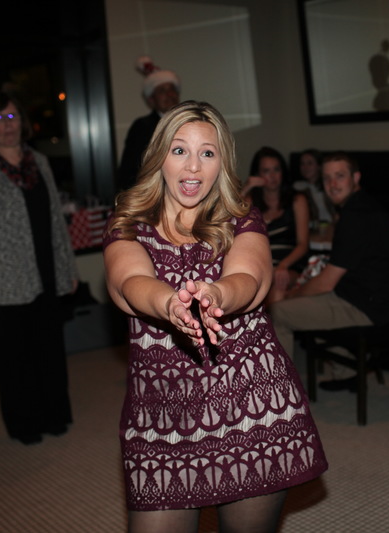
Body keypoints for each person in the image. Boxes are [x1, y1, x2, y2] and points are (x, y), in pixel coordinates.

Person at [102, 100, 327, 532]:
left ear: (222, 162)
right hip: (163, 410)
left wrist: (216, 294)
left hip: (248, 401)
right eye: (179, 150)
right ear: (159, 156)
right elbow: (129, 281)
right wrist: (170, 304)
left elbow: (251, 277)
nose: (193, 166)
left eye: (207, 152)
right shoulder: (128, 223)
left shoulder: (242, 217)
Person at [0, 91, 78, 445]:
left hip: (45, 270)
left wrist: (68, 267)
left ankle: (55, 413)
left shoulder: (39, 161)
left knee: (49, 349)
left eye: (12, 117)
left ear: (23, 121)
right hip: (3, 279)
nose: (7, 125)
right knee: (15, 357)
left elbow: (55, 219)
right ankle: (25, 424)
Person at [270, 151, 389, 380]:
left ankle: (282, 388)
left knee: (277, 311)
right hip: (375, 297)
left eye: (340, 176)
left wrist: (292, 295)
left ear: (356, 178)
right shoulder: (362, 205)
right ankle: (346, 371)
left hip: (369, 306)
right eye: (327, 178)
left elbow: (326, 283)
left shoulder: (355, 216)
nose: (332, 184)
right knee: (310, 301)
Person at [241, 146, 310, 304]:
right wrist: (246, 187)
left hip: (289, 264)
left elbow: (303, 244)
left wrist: (282, 265)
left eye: (276, 170)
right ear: (258, 174)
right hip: (259, 264)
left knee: (277, 285)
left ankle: (275, 320)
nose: (272, 176)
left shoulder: (297, 200)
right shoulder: (250, 201)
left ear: (283, 172)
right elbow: (227, 220)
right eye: (266, 171)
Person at [117, 56, 181, 191]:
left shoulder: (189, 123)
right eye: (162, 91)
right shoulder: (141, 127)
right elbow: (129, 170)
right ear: (151, 100)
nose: (169, 94)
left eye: (172, 89)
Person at [294, 148, 334, 225]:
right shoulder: (296, 187)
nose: (305, 167)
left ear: (319, 166)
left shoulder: (329, 186)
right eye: (302, 164)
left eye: (310, 163)